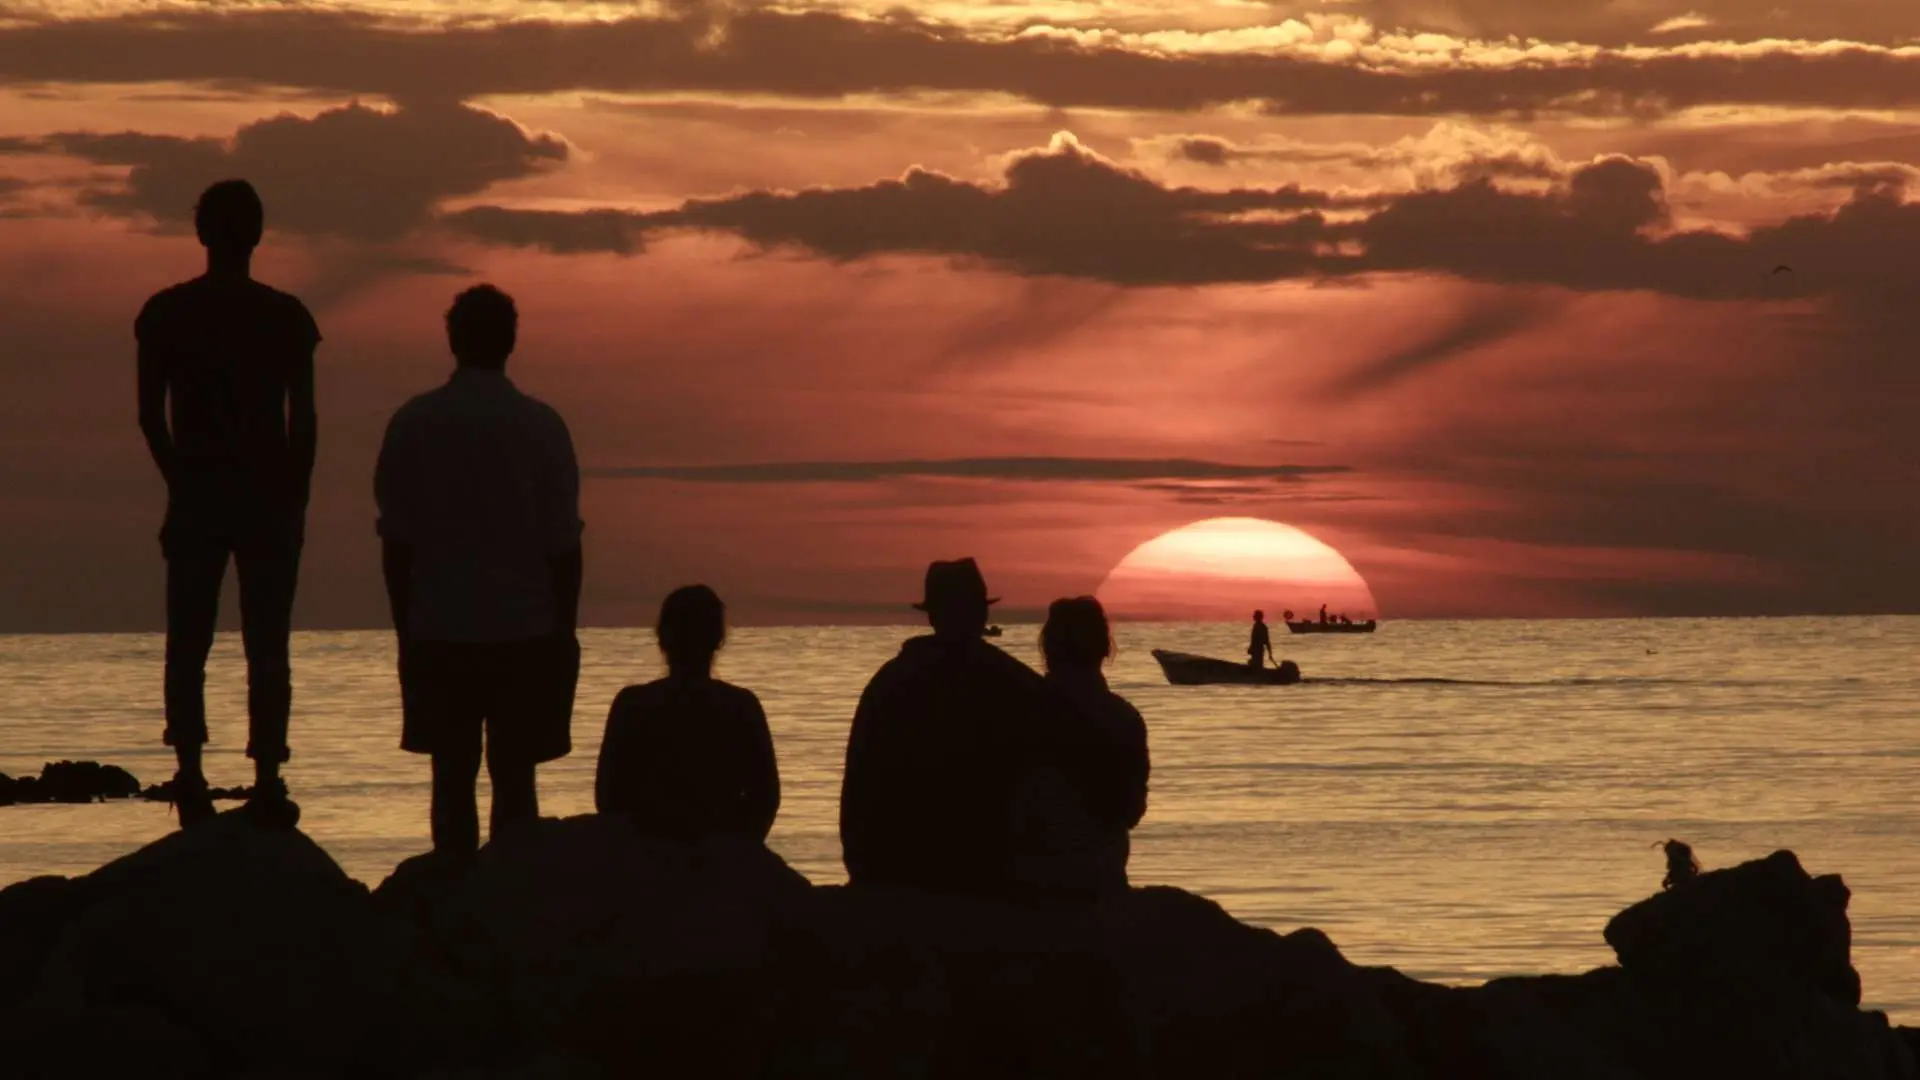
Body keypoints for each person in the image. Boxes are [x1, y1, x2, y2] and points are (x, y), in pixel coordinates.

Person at [375, 284, 583, 857]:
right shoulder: (542, 426)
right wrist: (565, 631)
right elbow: (563, 546)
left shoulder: (413, 423)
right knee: (516, 780)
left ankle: (452, 893)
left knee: (451, 777)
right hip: (525, 633)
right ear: (511, 342)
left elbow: (398, 544)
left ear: (453, 340)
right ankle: (508, 904)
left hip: (440, 630)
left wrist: (405, 630)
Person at [136, 179, 318, 829]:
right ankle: (266, 773)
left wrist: (178, 481)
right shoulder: (285, 317)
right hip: (265, 500)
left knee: (189, 640)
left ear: (203, 234)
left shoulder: (166, 314)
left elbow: (149, 418)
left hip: (202, 498)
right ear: (258, 236)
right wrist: (295, 496)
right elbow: (305, 422)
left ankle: (192, 771)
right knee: (267, 644)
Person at [839, 558, 1053, 894]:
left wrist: (867, 876)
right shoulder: (1016, 684)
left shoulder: (888, 684)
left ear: (931, 615)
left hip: (902, 876)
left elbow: (858, 791)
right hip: (993, 878)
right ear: (982, 614)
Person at [596, 585, 780, 842]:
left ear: (661, 637)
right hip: (722, 851)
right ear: (718, 640)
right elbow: (765, 799)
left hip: (647, 851)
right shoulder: (741, 706)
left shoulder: (632, 704)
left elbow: (608, 798)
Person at [1030, 596, 1149, 892]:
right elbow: (1132, 810)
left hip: (1032, 881)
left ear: (1048, 649)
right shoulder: (1124, 718)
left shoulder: (1021, 711)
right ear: (1105, 648)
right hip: (1101, 877)